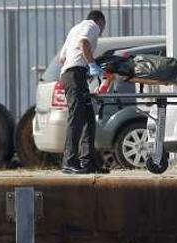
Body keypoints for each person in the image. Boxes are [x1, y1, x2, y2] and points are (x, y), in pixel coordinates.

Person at [58, 10, 106, 174]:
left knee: (88, 119)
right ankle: (69, 162)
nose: (102, 31)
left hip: (73, 74)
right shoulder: (92, 25)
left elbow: (62, 58)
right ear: (101, 21)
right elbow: (84, 43)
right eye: (103, 27)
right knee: (76, 117)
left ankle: (87, 162)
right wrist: (91, 64)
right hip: (75, 74)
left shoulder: (74, 29)